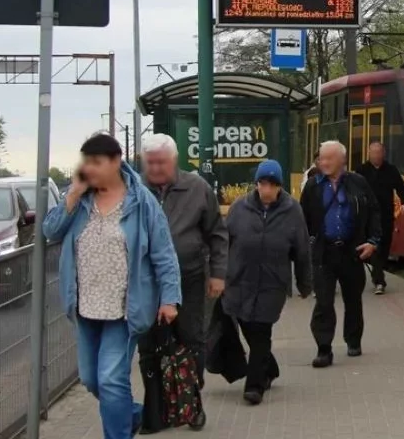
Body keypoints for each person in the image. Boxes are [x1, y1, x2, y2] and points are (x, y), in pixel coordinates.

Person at [43, 133, 181, 439]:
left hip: (124, 310)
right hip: (85, 307)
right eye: (86, 162)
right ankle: (131, 414)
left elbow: (164, 254)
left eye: (96, 162)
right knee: (92, 379)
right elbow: (50, 231)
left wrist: (169, 299)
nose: (89, 169)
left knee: (110, 379)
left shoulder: (142, 202)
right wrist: (72, 195)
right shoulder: (80, 200)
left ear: (116, 162)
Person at [139, 133, 228, 422]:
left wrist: (218, 274)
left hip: (189, 275)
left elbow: (217, 233)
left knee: (191, 339)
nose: (155, 168)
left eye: (161, 162)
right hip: (146, 282)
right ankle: (157, 410)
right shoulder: (135, 190)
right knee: (149, 346)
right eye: (150, 162)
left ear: (174, 160)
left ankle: (191, 405)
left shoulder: (197, 188)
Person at [222, 159, 312, 404]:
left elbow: (302, 250)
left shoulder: (292, 210)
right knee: (247, 326)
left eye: (272, 184)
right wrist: (218, 275)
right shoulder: (240, 208)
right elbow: (224, 242)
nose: (267, 189)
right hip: (240, 278)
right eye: (263, 183)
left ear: (280, 186)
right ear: (256, 184)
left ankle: (254, 386)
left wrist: (304, 283)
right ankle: (269, 368)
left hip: (273, 281)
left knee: (261, 330)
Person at [300, 140, 381, 368]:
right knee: (324, 302)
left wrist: (372, 242)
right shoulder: (313, 186)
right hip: (324, 252)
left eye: (328, 158)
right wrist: (305, 246)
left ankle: (353, 340)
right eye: (321, 158)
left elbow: (374, 211)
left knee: (353, 300)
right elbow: (302, 218)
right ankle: (324, 349)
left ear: (341, 160)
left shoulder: (358, 182)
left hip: (352, 250)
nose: (323, 162)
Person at [354, 141, 404, 295]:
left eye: (379, 152)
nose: (376, 155)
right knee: (373, 247)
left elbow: (401, 187)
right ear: (369, 153)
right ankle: (379, 280)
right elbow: (353, 191)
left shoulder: (391, 170)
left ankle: (377, 274)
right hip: (367, 217)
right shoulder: (361, 170)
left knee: (384, 246)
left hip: (385, 215)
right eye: (374, 152)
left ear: (383, 153)